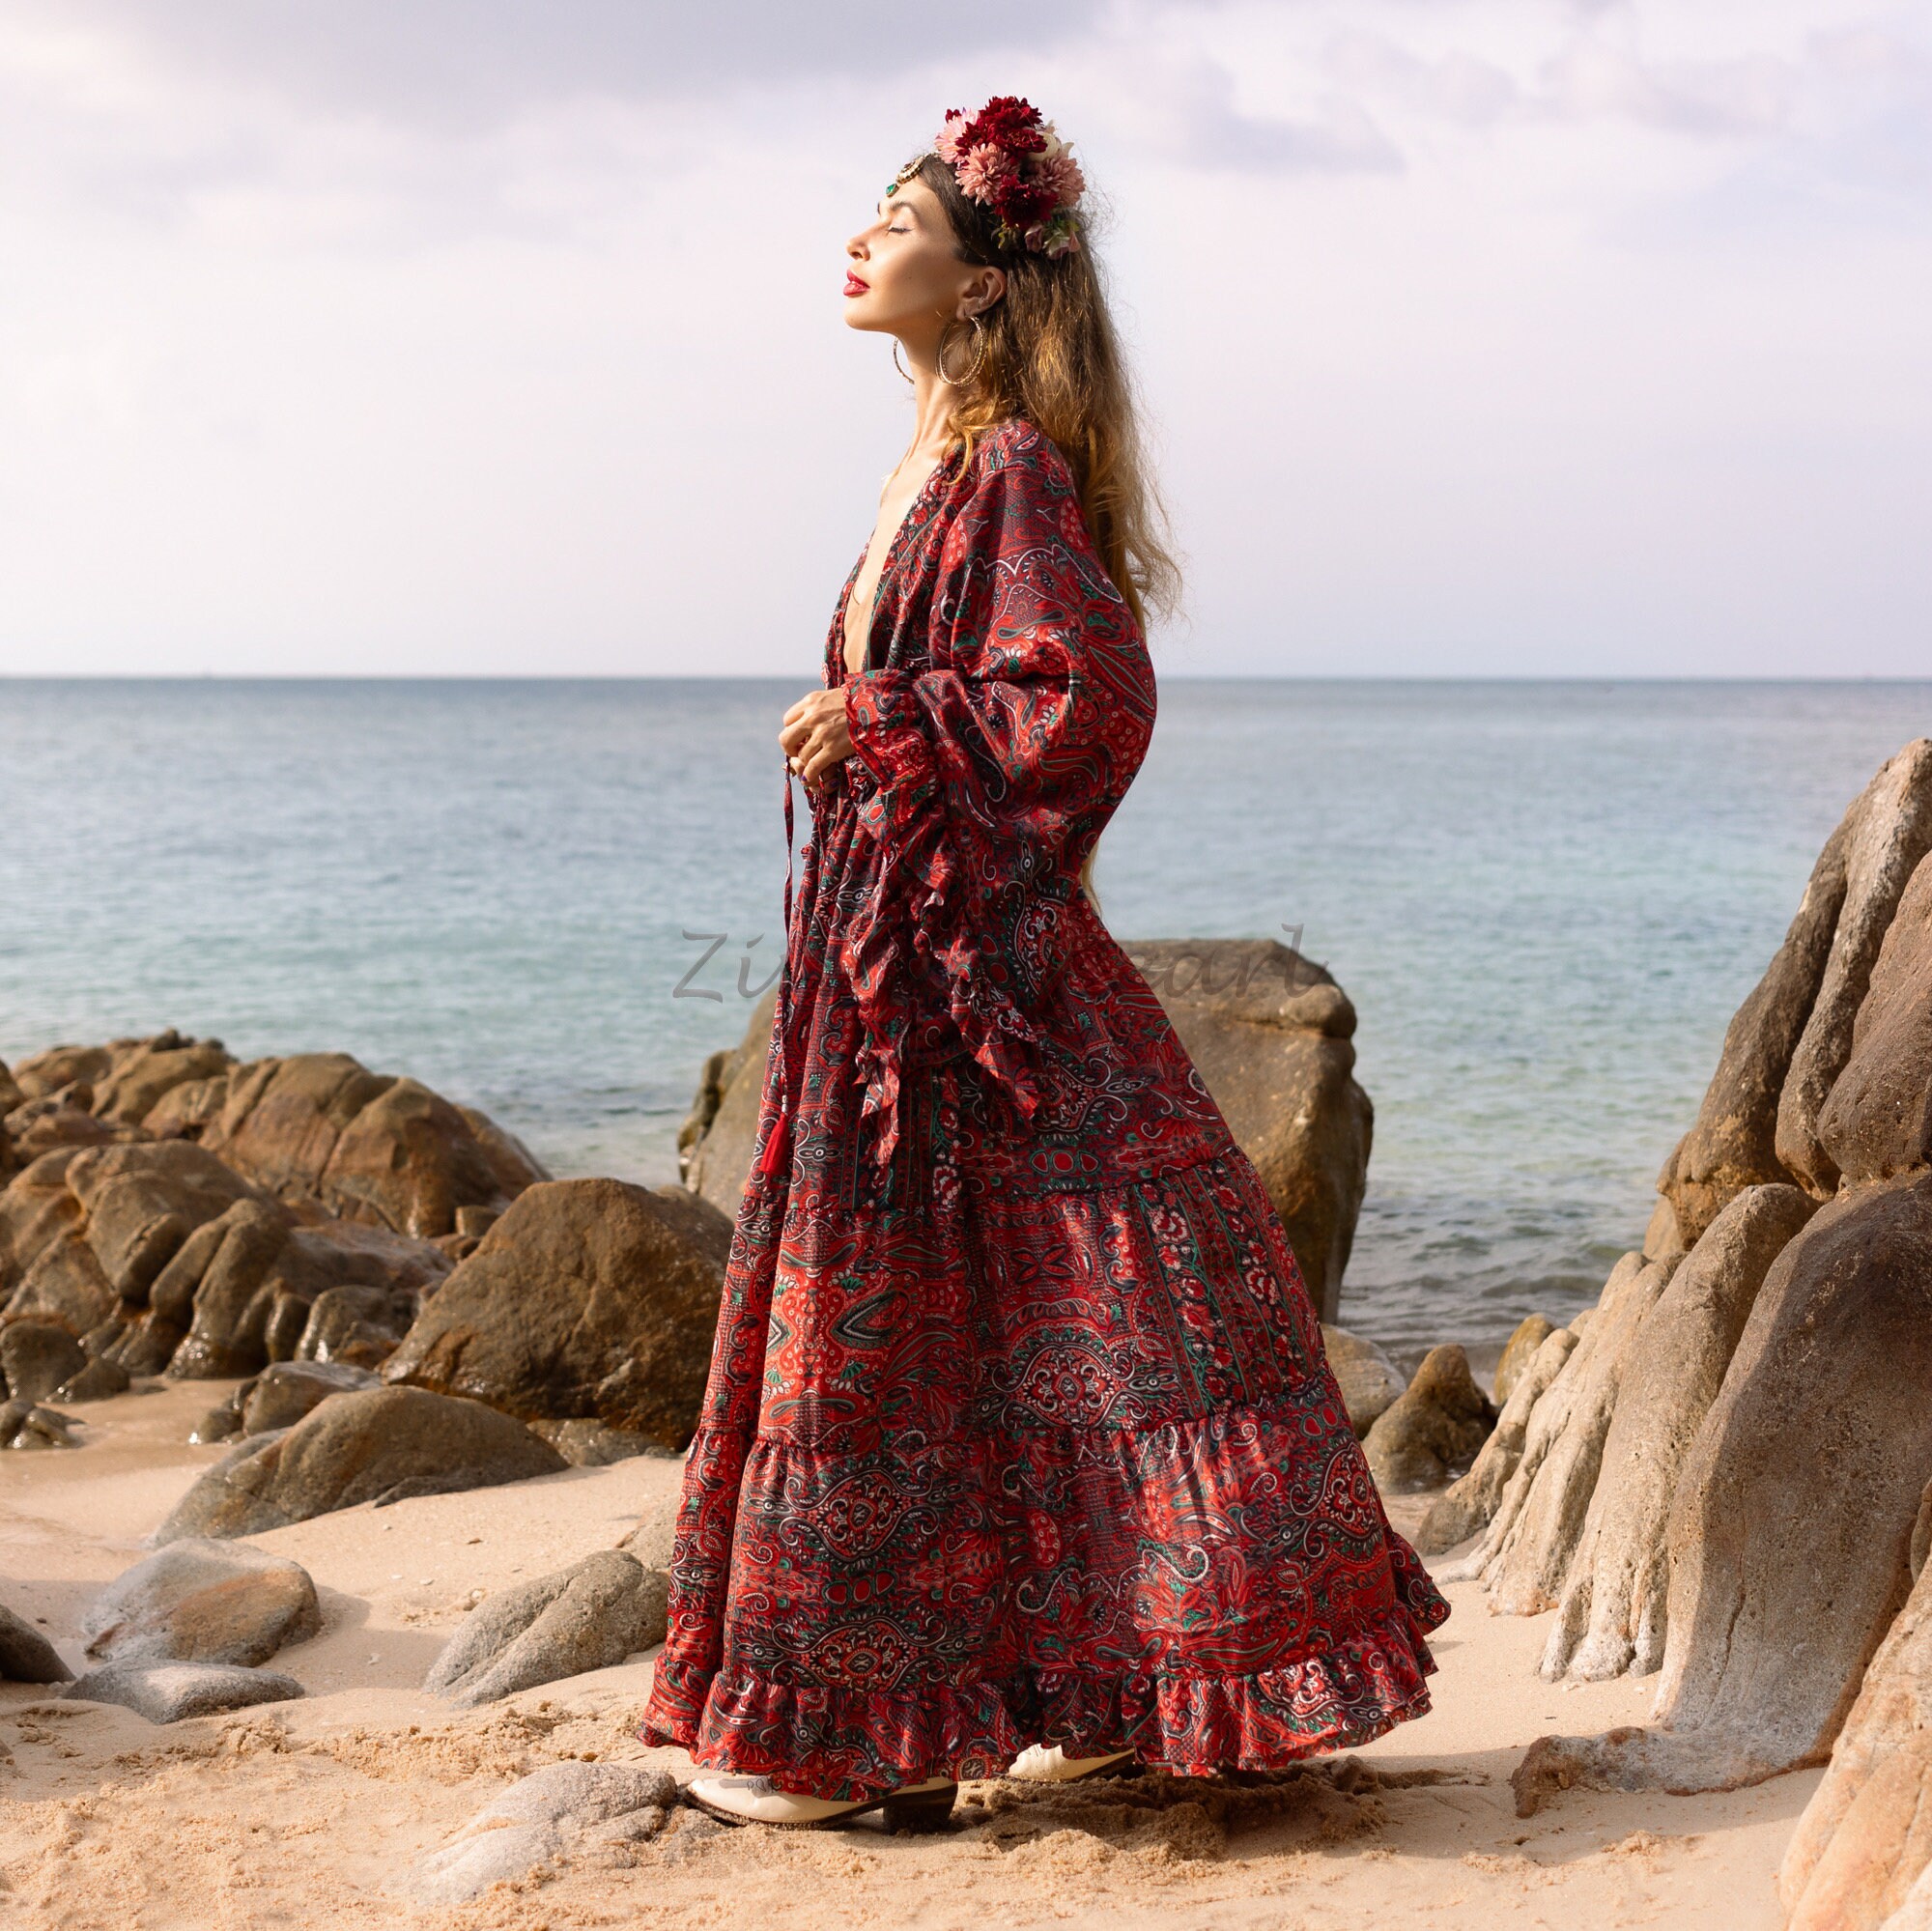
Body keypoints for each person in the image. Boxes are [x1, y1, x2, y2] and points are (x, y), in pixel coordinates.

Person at [639, 96, 1450, 1832]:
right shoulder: (928, 465)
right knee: (989, 1329)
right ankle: (1031, 1704)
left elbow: (1090, 695)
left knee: (1088, 1308)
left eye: (899, 221)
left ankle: (887, 1735)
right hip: (897, 961)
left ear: (986, 282)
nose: (860, 239)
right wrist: (878, 731)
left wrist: (884, 720)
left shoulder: (1006, 466)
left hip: (974, 971)